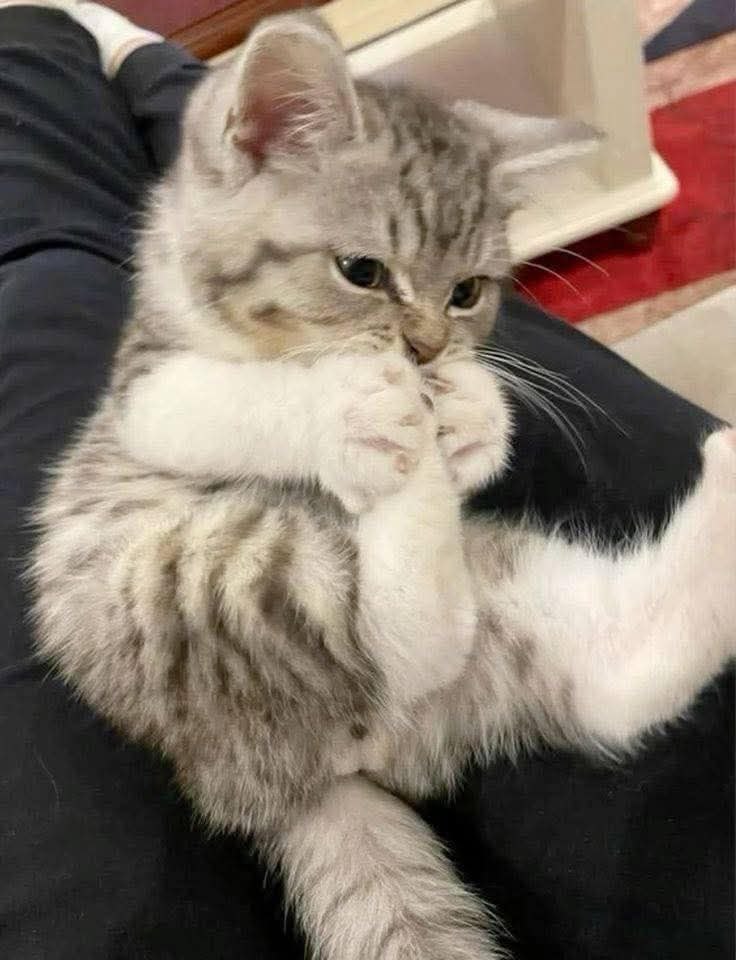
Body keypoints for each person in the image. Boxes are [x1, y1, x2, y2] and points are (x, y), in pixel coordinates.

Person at [0, 4, 732, 958]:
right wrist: (326, 425)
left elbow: (428, 408)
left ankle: (608, 656)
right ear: (259, 142)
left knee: (37, 257)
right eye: (363, 270)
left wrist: (455, 435)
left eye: (465, 293)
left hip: (351, 680)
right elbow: (157, 416)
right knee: (101, 577)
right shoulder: (194, 285)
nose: (426, 335)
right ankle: (133, 66)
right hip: (226, 652)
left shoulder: (350, 289)